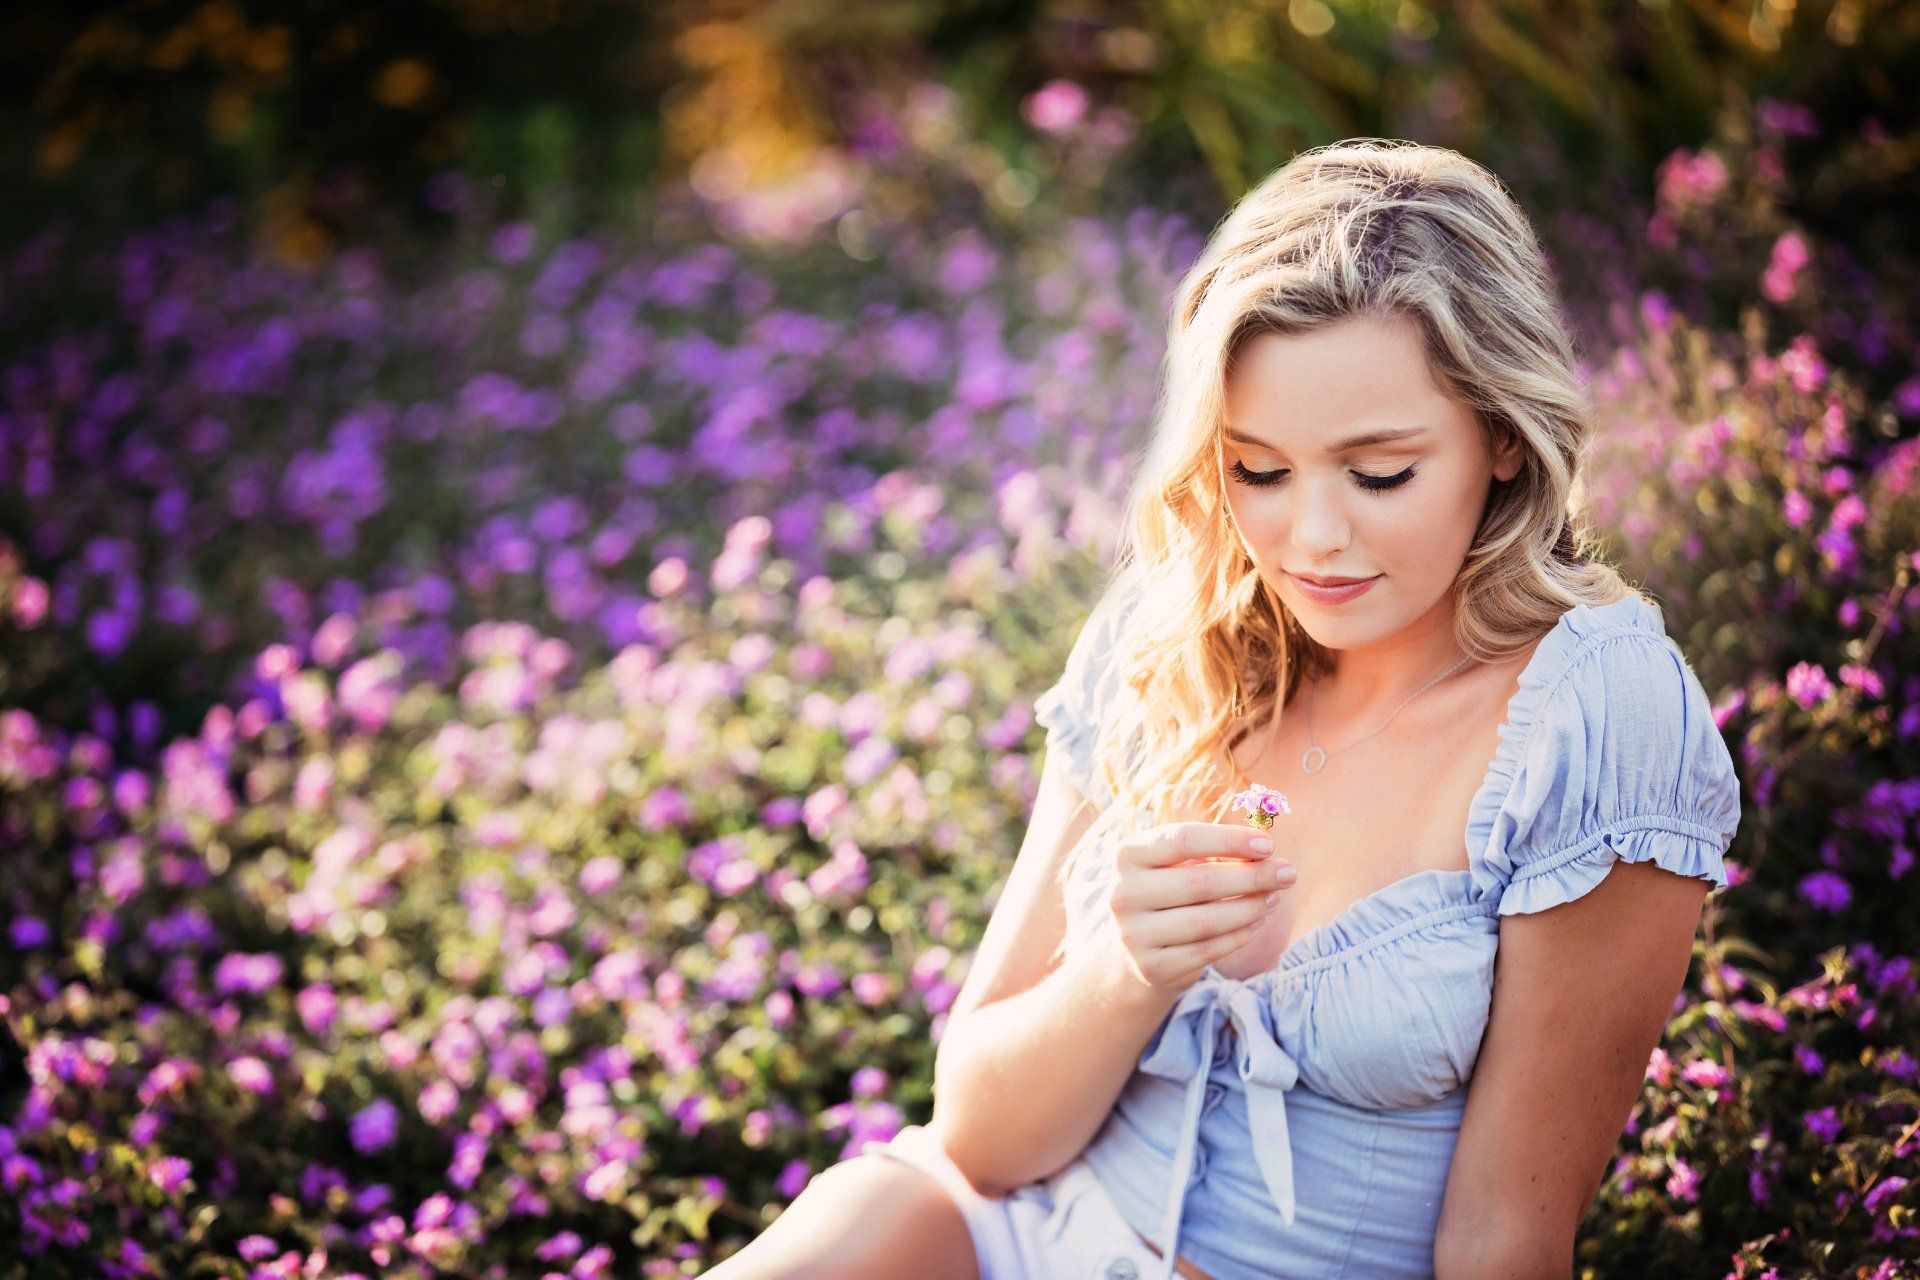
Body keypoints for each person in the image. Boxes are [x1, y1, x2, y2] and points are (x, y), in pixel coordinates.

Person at [701, 136, 1742, 1280]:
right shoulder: (1176, 636)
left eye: (1380, 472)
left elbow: (1505, 1239)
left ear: (1502, 435)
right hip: (1007, 1232)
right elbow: (982, 1142)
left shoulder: (1595, 713)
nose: (1312, 538)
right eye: (1257, 468)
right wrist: (1123, 971)